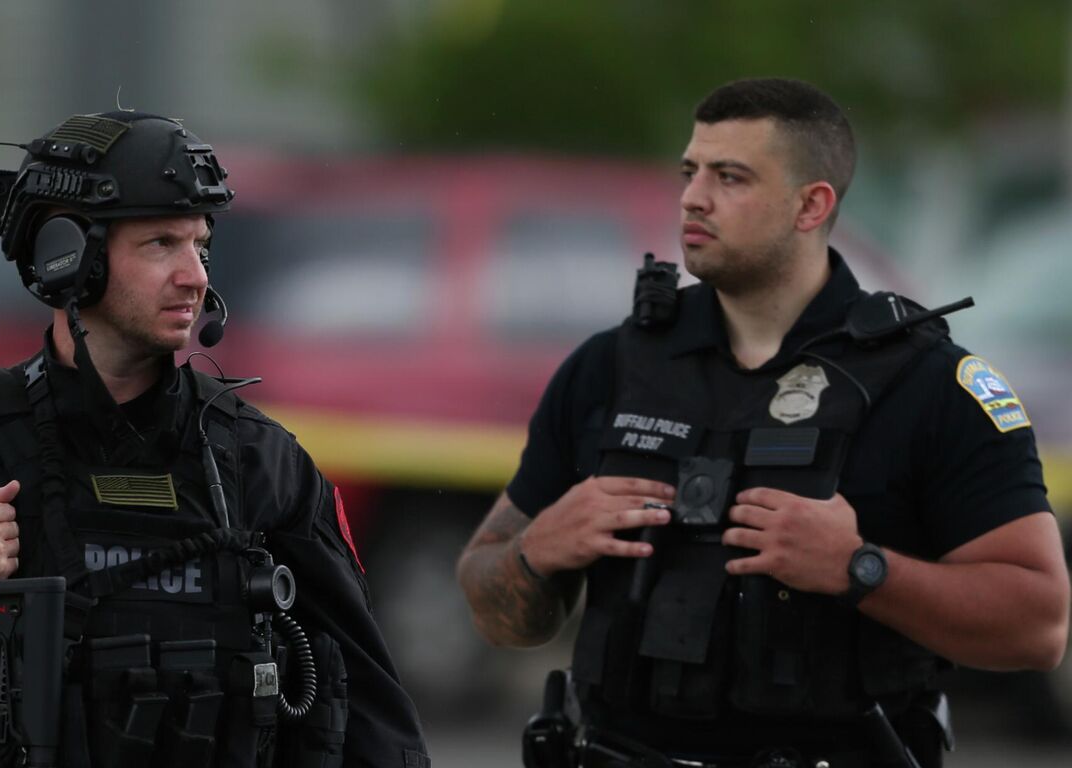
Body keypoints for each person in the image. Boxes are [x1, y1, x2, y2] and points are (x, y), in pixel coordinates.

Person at [0, 111, 431, 768]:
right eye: (161, 244)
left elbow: (373, 717)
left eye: (200, 244)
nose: (195, 275)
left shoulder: (261, 466)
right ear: (65, 257)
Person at [456, 78, 1070, 767]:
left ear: (811, 205)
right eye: (690, 172)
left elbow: (1038, 625)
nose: (694, 197)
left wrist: (858, 568)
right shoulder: (609, 367)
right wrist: (539, 547)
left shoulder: (929, 385)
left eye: (731, 177)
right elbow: (492, 603)